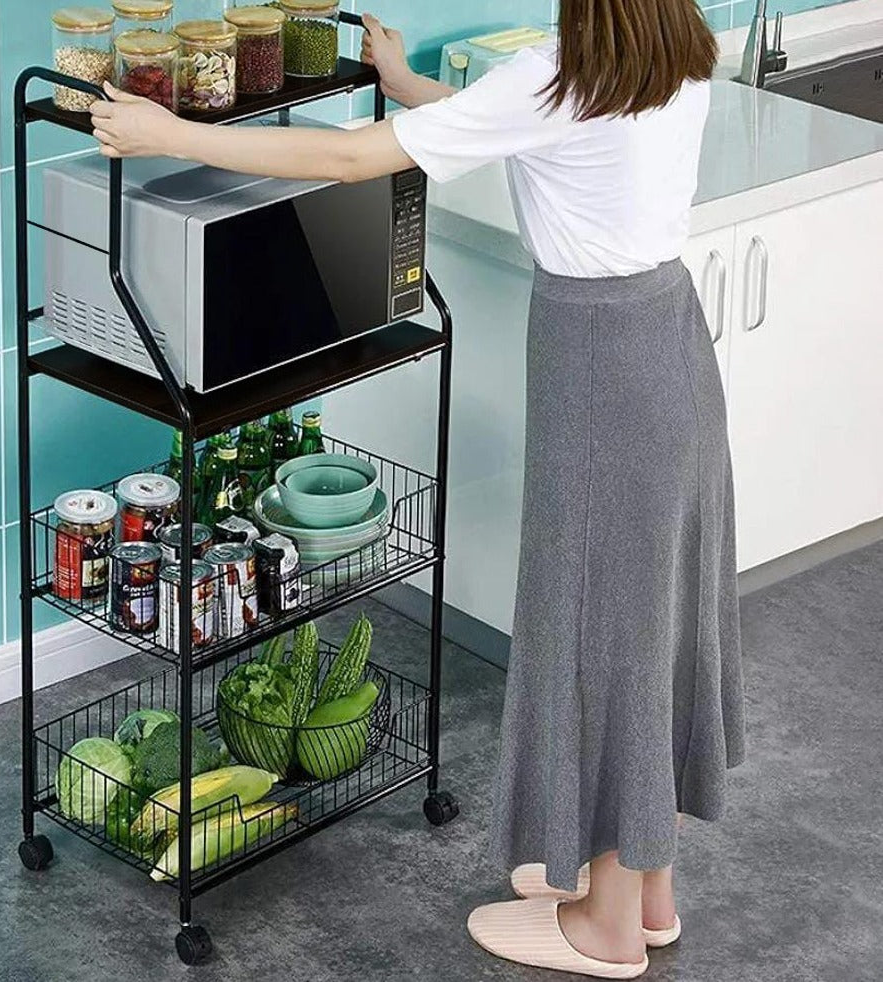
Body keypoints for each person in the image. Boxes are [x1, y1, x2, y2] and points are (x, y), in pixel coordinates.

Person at [91, 2, 745, 977]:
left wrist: (167, 134)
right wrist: (415, 93)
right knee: (647, 621)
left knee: (599, 629)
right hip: (670, 345)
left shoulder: (560, 67)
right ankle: (644, 891)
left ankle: (604, 928)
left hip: (601, 365)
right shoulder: (669, 45)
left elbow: (360, 163)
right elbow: (547, 125)